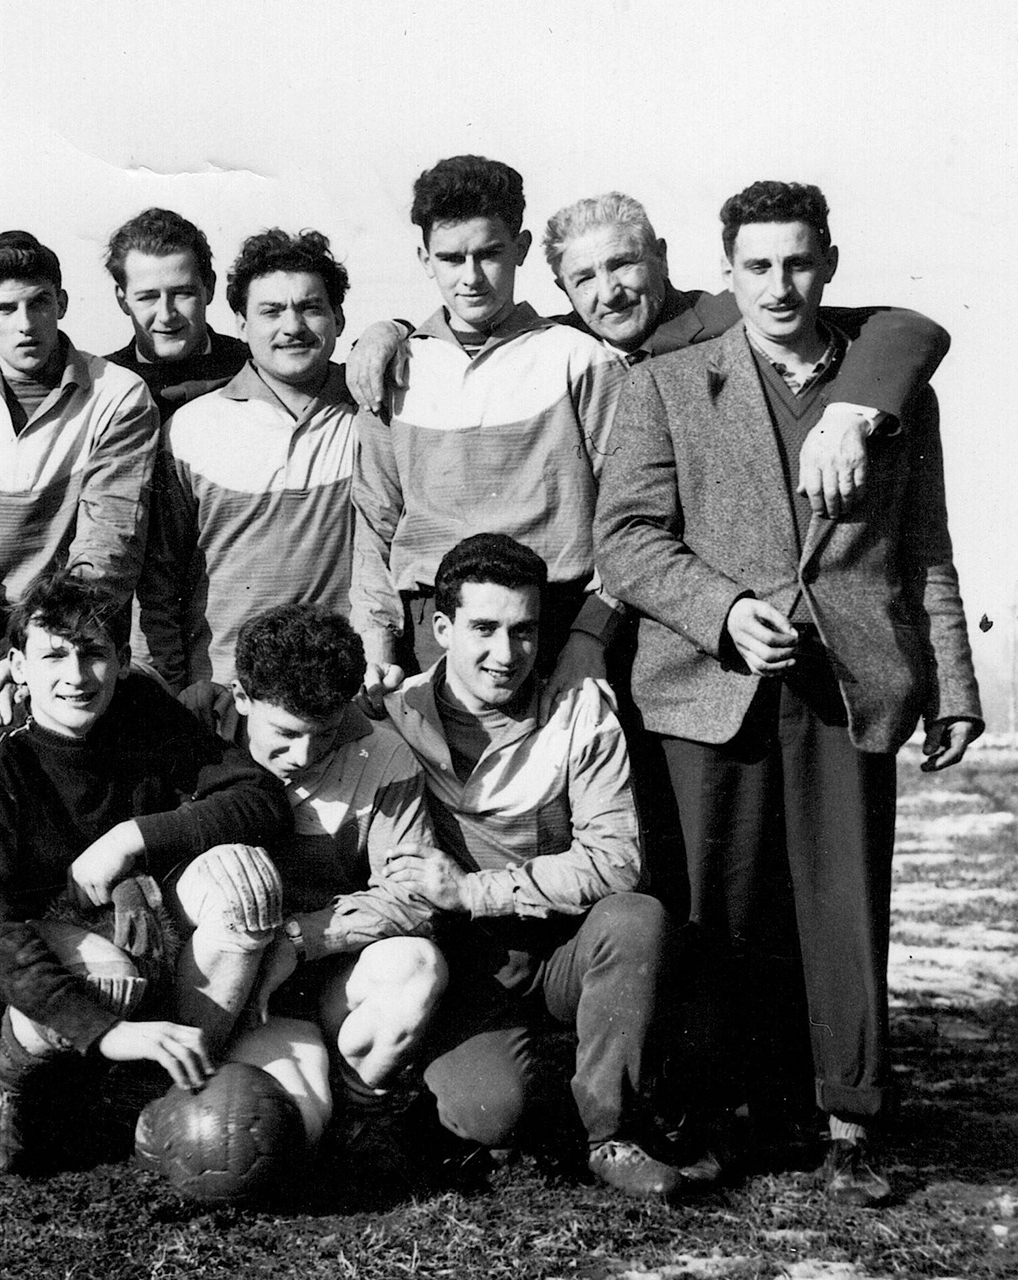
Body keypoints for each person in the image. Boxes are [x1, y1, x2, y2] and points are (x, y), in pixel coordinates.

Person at [595, 182, 981, 1207]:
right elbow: (626, 540)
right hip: (709, 682)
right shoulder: (670, 384)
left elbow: (925, 546)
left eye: (798, 262)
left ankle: (852, 1118)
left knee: (843, 901)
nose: (779, 285)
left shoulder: (890, 393)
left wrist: (952, 683)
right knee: (717, 907)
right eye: (757, 265)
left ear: (830, 263)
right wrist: (720, 610)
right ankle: (724, 1111)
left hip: (850, 680)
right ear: (726, 272)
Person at [0, 569, 292, 1173]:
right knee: (108, 975)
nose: (75, 678)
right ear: (18, 667)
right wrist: (104, 1031)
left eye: (94, 654)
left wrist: (133, 838)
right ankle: (10, 1094)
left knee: (246, 884)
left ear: (124, 660)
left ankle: (166, 1089)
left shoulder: (140, 709)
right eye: (53, 655)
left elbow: (259, 795)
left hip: (144, 916)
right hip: (47, 947)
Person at [347, 190, 951, 524]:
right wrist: (389, 330)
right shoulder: (564, 347)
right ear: (561, 291)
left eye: (622, 264)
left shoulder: (730, 316)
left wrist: (850, 412)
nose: (607, 292)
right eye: (583, 277)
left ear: (660, 256)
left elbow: (904, 328)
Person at [382, 534, 681, 1199]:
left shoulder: (579, 712)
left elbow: (617, 862)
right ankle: (525, 1086)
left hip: (561, 951)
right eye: (483, 629)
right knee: (489, 1110)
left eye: (523, 632)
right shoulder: (394, 715)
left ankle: (612, 1132)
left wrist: (476, 890)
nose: (505, 654)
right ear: (441, 628)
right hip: (467, 970)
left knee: (636, 919)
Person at [349, 155, 626, 701]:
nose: (471, 277)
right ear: (424, 258)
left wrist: (591, 634)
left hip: (555, 626)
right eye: (451, 258)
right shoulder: (392, 368)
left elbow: (627, 518)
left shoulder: (578, 359)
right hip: (432, 628)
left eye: (489, 254)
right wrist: (378, 647)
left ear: (521, 249)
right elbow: (373, 526)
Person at [180, 603, 445, 1153]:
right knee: (237, 881)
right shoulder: (195, 718)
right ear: (243, 696)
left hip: (299, 987)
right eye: (285, 733)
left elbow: (413, 893)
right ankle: (167, 1078)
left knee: (415, 968)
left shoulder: (384, 754)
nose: (301, 756)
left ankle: (358, 1112)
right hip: (197, 980)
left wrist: (300, 939)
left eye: (322, 736)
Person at [135, 229, 360, 690]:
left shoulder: (373, 417)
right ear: (240, 323)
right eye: (271, 311)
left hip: (344, 695)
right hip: (223, 699)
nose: (292, 326)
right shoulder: (188, 430)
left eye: (310, 307)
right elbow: (157, 587)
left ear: (338, 316)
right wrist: (173, 691)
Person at [0, 230, 160, 610]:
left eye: (39, 302)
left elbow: (109, 550)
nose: (26, 324)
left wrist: (35, 643)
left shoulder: (119, 394)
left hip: (71, 632)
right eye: (5, 309)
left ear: (61, 303)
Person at [101, 208, 250, 421]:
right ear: (122, 299)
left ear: (209, 288)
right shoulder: (99, 385)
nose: (166, 315)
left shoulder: (253, 367)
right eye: (148, 297)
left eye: (182, 293)